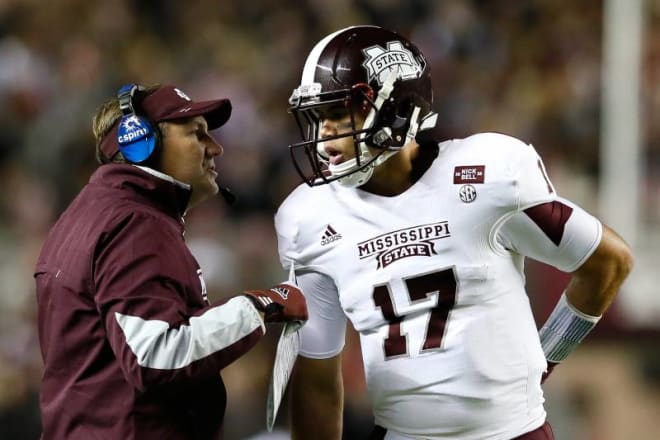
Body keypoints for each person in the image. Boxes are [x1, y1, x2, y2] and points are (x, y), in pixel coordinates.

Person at [275, 25, 633, 440]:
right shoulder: (309, 216)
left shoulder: (488, 175)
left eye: (338, 113)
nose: (323, 136)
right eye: (318, 118)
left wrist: (546, 357)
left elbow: (608, 262)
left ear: (396, 106)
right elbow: (318, 371)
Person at [34, 83, 308, 440]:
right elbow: (155, 355)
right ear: (142, 144)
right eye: (197, 134)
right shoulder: (135, 222)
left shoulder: (85, 217)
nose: (216, 148)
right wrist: (261, 305)